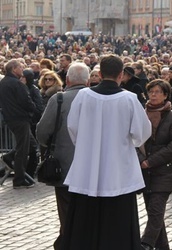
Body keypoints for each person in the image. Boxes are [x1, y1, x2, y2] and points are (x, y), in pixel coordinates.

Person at [61, 55, 151, 249]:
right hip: (118, 171)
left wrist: (88, 145)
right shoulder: (130, 99)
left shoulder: (83, 96)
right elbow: (141, 133)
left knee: (85, 220)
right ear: (121, 75)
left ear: (100, 74)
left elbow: (73, 128)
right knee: (118, 222)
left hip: (87, 168)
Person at [36, 62, 89, 250]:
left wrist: (50, 145)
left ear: (67, 79)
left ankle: (68, 242)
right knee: (87, 208)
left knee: (66, 209)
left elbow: (42, 132)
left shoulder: (59, 99)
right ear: (88, 81)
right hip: (92, 166)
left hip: (64, 165)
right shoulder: (98, 99)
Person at [137, 79, 172, 250]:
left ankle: (146, 243)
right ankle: (162, 246)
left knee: (156, 209)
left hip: (165, 170)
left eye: (158, 92)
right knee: (153, 212)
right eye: (151, 91)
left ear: (165, 95)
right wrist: (141, 159)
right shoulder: (141, 114)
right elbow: (133, 139)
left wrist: (151, 161)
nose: (154, 95)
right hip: (145, 171)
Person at [0, 59, 37, 188]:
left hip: (11, 119)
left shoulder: (3, 83)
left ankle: (9, 157)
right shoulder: (17, 84)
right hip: (21, 119)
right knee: (23, 149)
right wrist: (33, 108)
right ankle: (19, 179)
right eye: (21, 67)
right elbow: (26, 102)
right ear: (14, 69)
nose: (23, 69)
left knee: (31, 145)